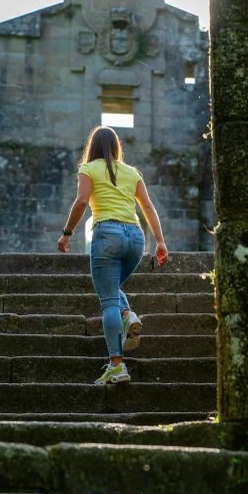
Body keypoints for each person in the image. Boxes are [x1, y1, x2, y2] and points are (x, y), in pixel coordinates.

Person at [57, 125, 168, 385]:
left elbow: (82, 201)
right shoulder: (132, 172)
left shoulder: (88, 168)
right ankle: (128, 313)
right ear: (117, 147)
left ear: (91, 147)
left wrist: (66, 233)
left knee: (108, 301)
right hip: (136, 239)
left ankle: (117, 365)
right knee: (112, 288)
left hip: (108, 234)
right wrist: (160, 242)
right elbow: (148, 206)